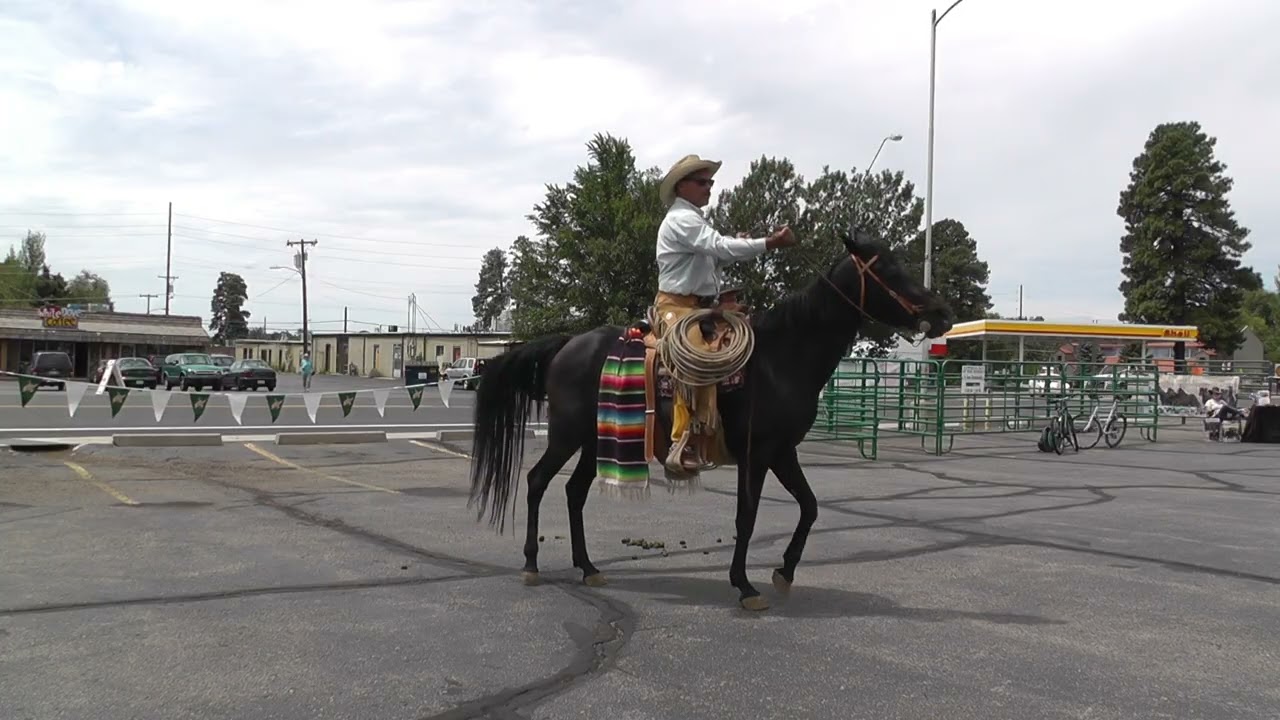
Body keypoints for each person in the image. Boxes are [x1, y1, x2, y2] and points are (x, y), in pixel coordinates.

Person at [653, 154, 798, 474]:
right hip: (676, 307)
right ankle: (685, 436)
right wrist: (769, 243)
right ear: (682, 186)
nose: (709, 188)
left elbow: (712, 260)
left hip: (701, 306)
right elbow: (718, 247)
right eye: (702, 183)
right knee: (699, 355)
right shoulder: (682, 220)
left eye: (711, 182)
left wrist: (734, 248)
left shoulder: (692, 219)